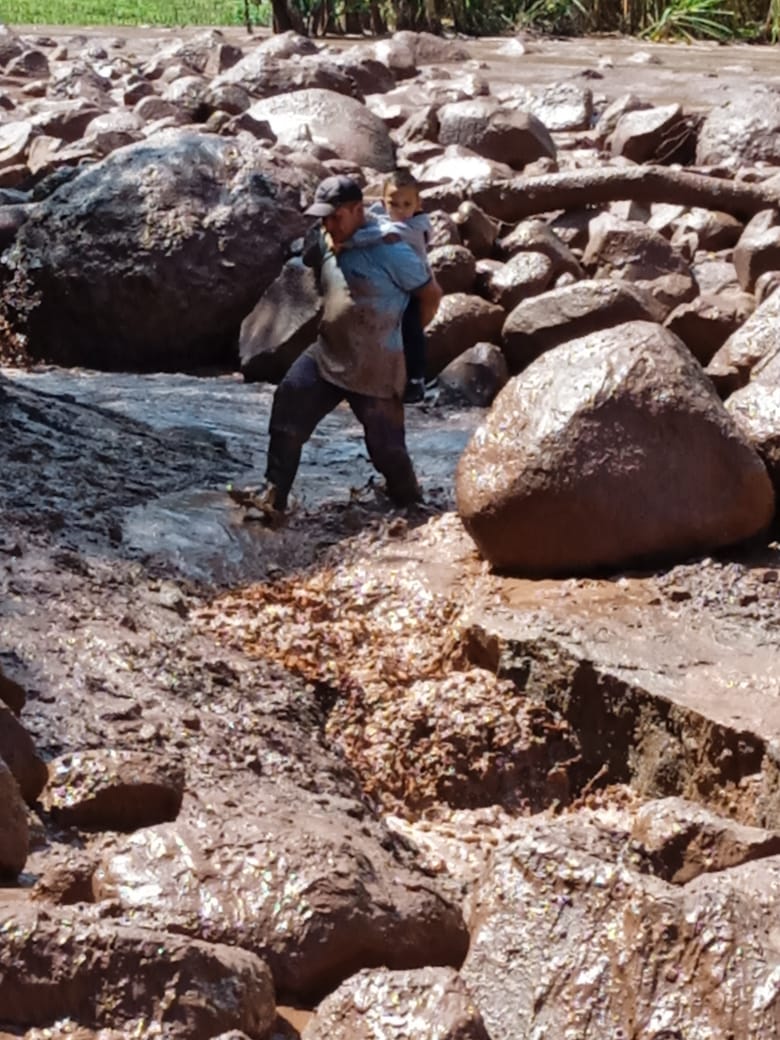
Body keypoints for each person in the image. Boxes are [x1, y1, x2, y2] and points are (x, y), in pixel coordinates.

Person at [254, 174, 442, 524]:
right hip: (328, 353)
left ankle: (413, 508)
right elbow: (310, 261)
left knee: (387, 452)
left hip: (376, 366)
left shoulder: (393, 250)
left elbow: (430, 296)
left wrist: (405, 340)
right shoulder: (328, 237)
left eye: (335, 216)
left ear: (358, 210)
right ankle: (272, 498)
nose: (328, 224)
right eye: (323, 217)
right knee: (288, 410)